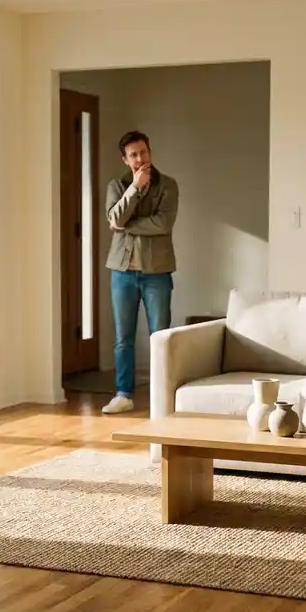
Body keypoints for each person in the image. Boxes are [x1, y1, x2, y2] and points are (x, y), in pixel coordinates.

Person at [102, 131, 179, 414]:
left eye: (143, 152)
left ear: (150, 152)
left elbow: (163, 224)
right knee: (123, 337)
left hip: (157, 271)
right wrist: (134, 188)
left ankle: (164, 394)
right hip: (122, 272)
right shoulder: (117, 185)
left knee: (161, 335)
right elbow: (115, 216)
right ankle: (124, 394)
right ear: (125, 159)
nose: (140, 159)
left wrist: (124, 225)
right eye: (133, 155)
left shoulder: (168, 185)